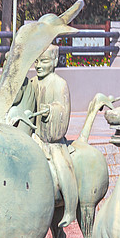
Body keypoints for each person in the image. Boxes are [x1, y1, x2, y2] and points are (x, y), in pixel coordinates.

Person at [29, 45, 78, 227]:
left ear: (55, 61)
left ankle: (70, 209)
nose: (39, 65)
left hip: (52, 140)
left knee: (62, 164)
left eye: (44, 61)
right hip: (35, 134)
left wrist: (51, 110)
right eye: (36, 61)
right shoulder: (33, 83)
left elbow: (63, 110)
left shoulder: (60, 84)